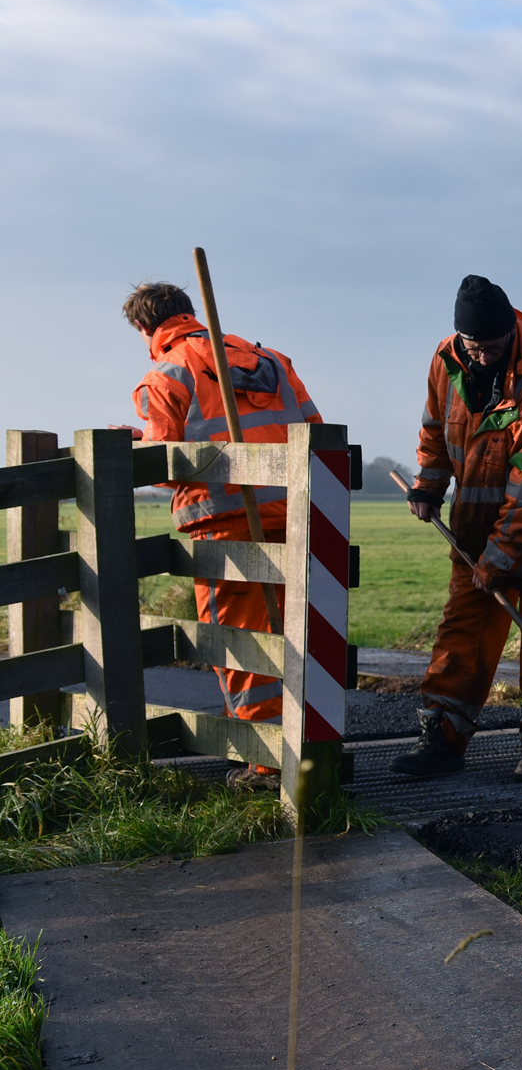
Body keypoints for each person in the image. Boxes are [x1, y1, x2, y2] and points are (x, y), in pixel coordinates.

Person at [392, 276, 522, 779]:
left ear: (510, 334)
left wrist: (499, 560)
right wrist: (428, 485)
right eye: (472, 346)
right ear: (459, 338)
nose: (481, 356)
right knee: (460, 636)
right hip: (476, 538)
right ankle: (443, 737)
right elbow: (436, 428)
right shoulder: (448, 360)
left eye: (491, 347)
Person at [124, 281, 323, 785]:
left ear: (146, 328)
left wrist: (138, 445)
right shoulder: (272, 361)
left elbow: (168, 465)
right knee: (298, 634)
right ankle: (310, 751)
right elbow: (315, 431)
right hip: (297, 514)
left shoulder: (168, 372)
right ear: (189, 312)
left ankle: (267, 763)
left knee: (243, 644)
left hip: (223, 526)